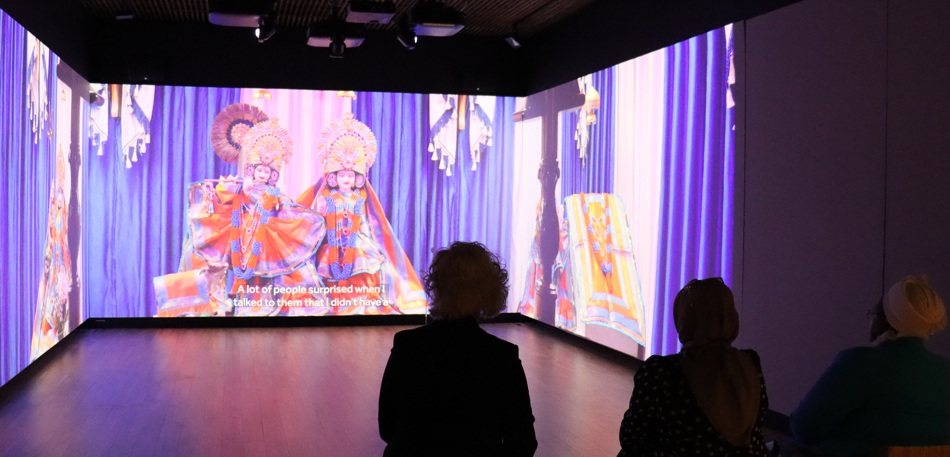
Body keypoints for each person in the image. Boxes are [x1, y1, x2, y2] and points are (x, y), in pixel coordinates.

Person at [154, 113, 326, 316]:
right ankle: (204, 304)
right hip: (237, 230)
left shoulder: (274, 192)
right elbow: (223, 194)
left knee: (268, 273)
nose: (262, 174)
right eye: (259, 170)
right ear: (251, 170)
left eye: (266, 172)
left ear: (272, 175)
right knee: (204, 258)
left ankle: (257, 306)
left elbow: (284, 206)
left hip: (265, 235)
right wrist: (232, 186)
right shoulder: (241, 185)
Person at [378, 241, 538, 457]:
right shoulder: (502, 356)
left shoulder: (407, 345)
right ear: (489, 292)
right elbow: (522, 441)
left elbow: (387, 428)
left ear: (437, 287)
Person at [790, 275, 950, 456]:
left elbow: (803, 427)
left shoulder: (860, 362)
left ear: (886, 321)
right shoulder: (945, 372)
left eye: (873, 315)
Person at [618, 277, 769, 456]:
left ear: (684, 320)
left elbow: (631, 437)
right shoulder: (751, 362)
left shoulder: (662, 372)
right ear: (730, 317)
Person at [297, 113, 426, 315]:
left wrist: (367, 241)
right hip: (331, 242)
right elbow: (318, 222)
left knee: (362, 265)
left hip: (355, 241)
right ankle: (335, 302)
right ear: (333, 177)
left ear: (357, 178)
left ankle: (358, 301)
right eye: (342, 175)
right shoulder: (326, 198)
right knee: (327, 269)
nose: (346, 178)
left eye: (350, 175)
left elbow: (366, 222)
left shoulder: (360, 199)